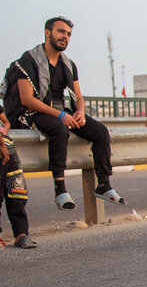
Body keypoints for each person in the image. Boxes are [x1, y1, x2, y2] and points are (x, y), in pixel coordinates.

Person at [7, 17, 125, 209]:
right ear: (47, 32)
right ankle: (60, 190)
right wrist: (60, 115)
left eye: (69, 34)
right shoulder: (28, 60)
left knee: (101, 132)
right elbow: (27, 99)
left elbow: (78, 96)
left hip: (62, 110)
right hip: (32, 111)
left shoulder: (68, 64)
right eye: (61, 32)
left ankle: (104, 184)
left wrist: (79, 111)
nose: (66, 37)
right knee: (60, 130)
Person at [0, 106, 34, 249]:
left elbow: (6, 121)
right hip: (2, 149)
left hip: (8, 149)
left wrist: (3, 131)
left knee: (16, 191)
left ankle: (21, 233)